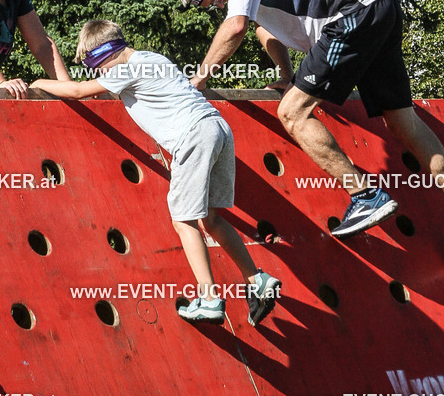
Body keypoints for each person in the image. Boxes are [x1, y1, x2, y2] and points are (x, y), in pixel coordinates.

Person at [174, 0, 444, 267]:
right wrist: (286, 75)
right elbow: (263, 29)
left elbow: (236, 27)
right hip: (379, 7)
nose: (218, 4)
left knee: (292, 113)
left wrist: (200, 78)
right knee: (402, 122)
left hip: (351, 16)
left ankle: (365, 195)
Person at [31, 19, 281, 325]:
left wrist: (37, 83)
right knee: (210, 218)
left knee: (183, 219)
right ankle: (257, 279)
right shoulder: (153, 59)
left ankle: (209, 300)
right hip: (217, 127)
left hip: (193, 136)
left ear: (105, 54)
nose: (98, 76)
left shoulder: (125, 70)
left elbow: (77, 90)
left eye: (96, 67)